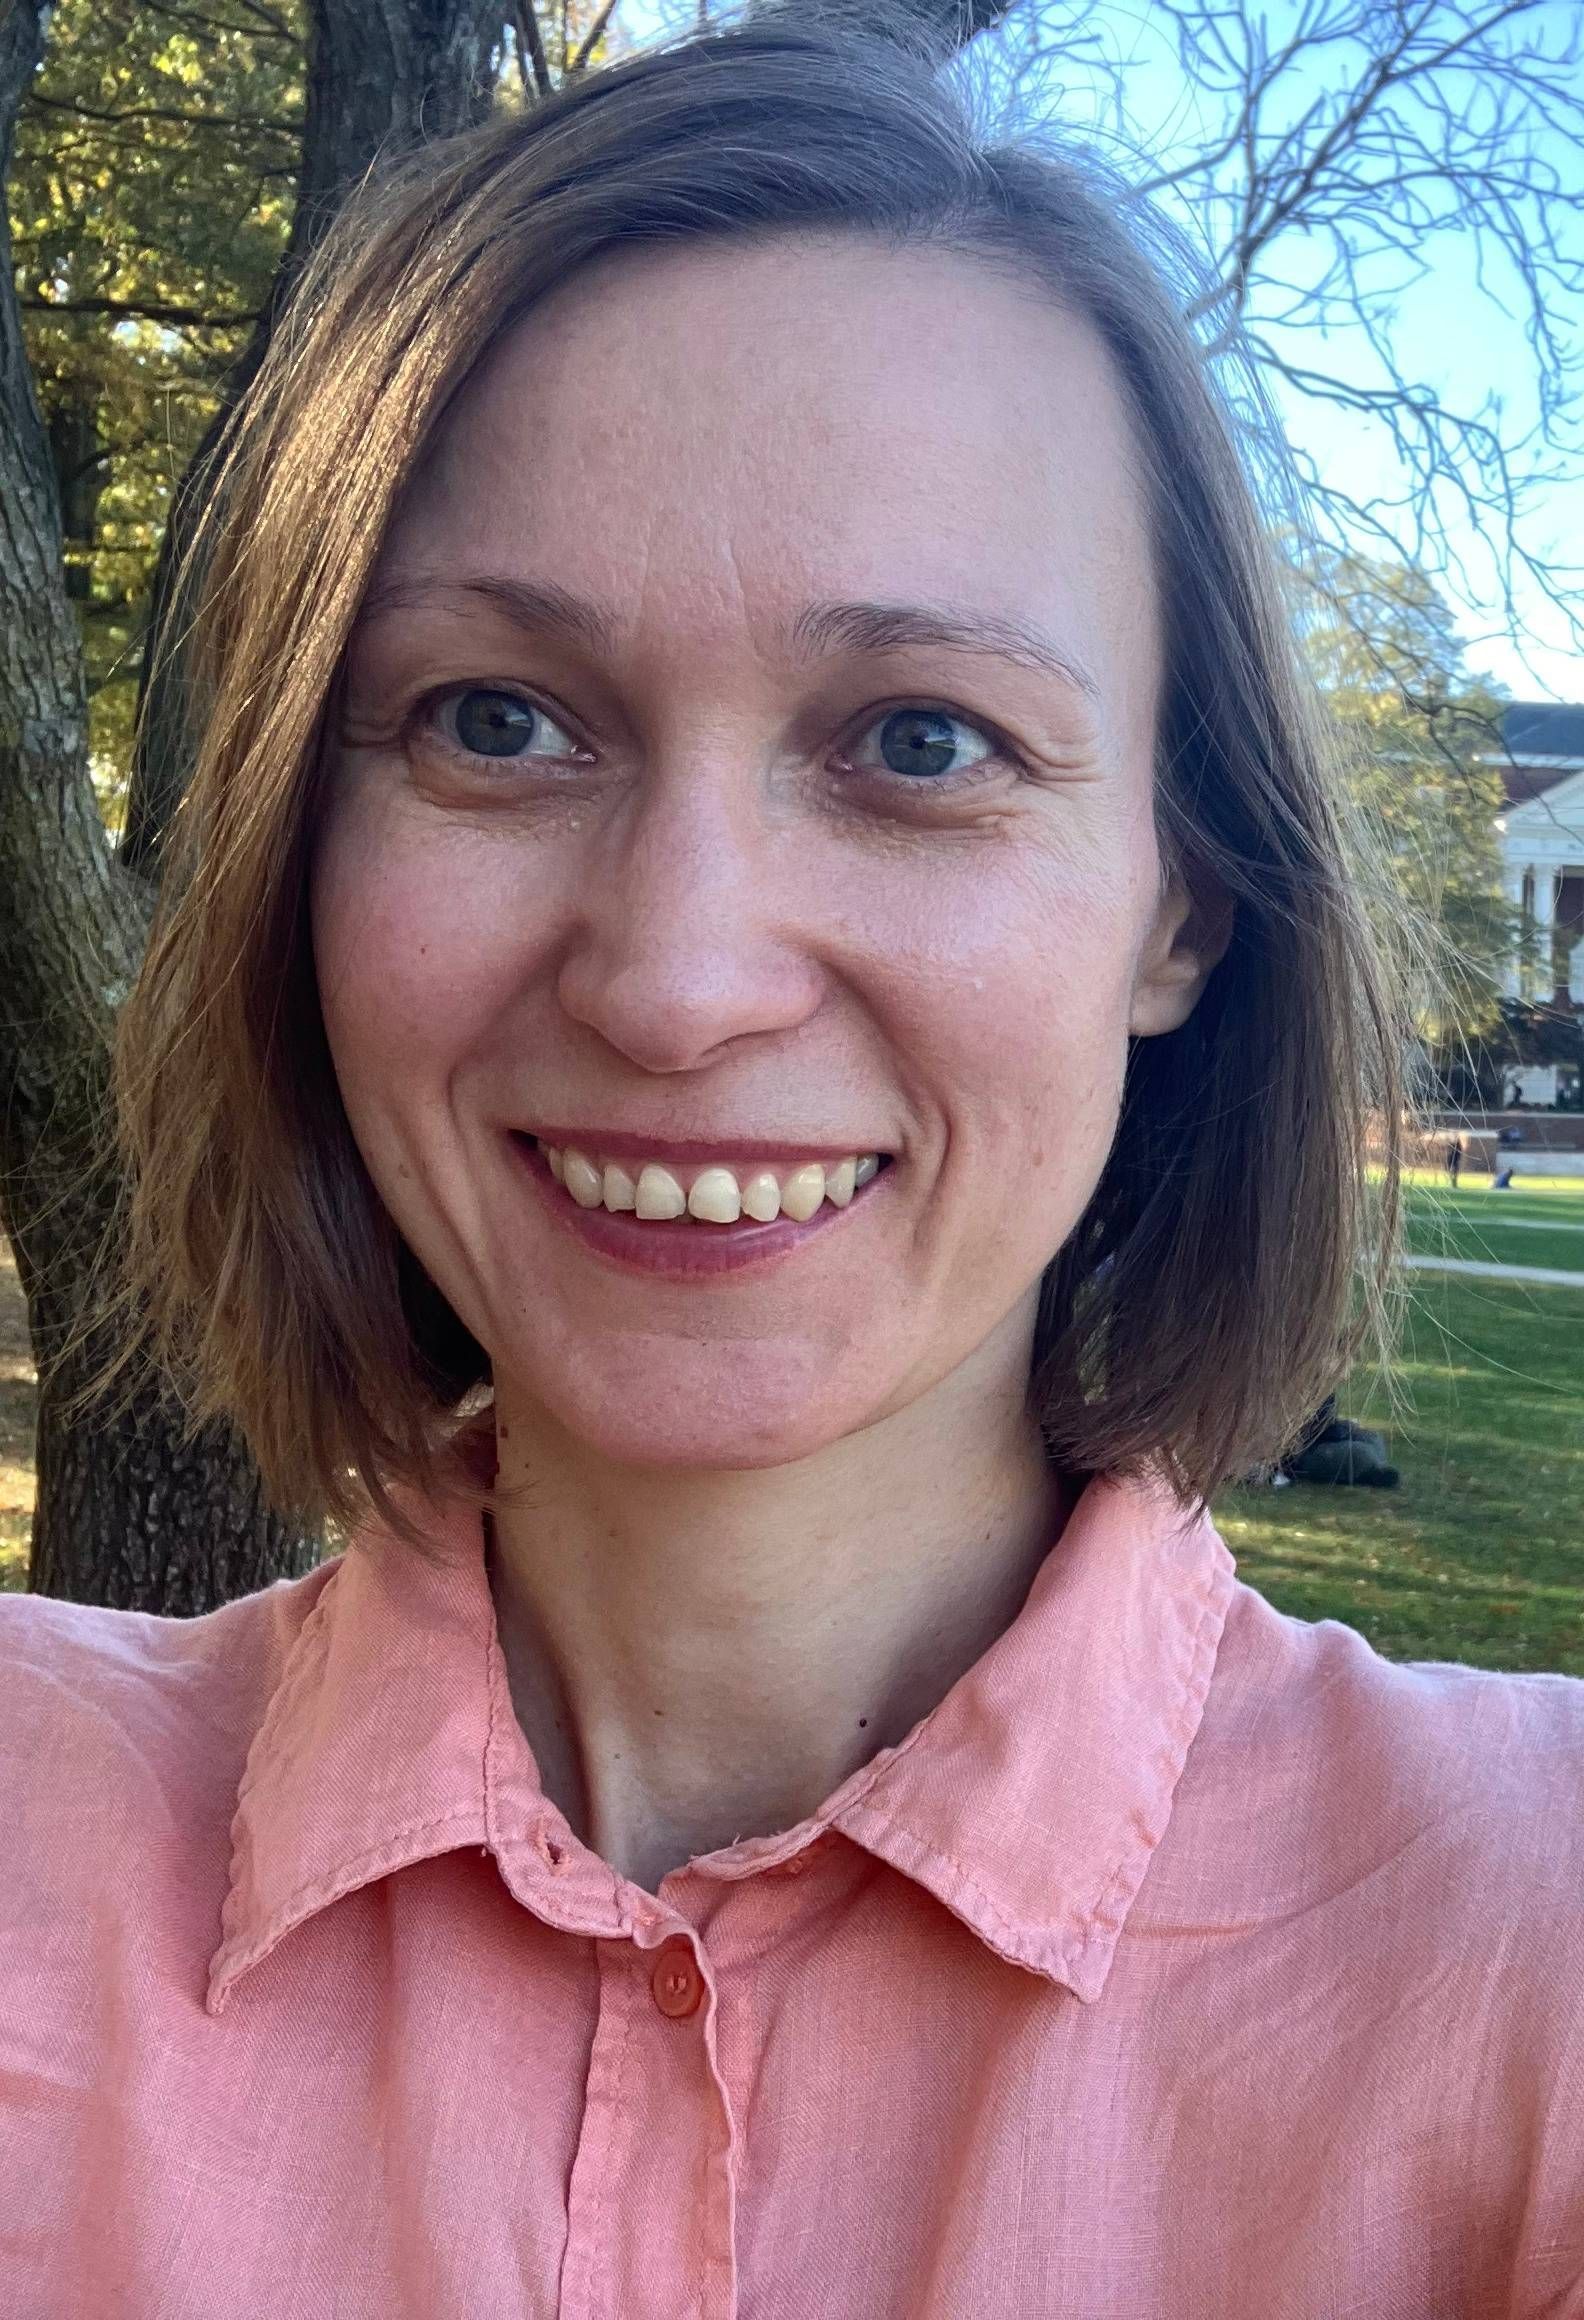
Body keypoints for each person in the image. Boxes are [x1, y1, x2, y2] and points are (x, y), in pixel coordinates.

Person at [4, 14, 1582, 2315]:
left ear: (1180, 904)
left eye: (920, 740)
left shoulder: (1536, 1948)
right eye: (499, 719)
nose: (675, 977)